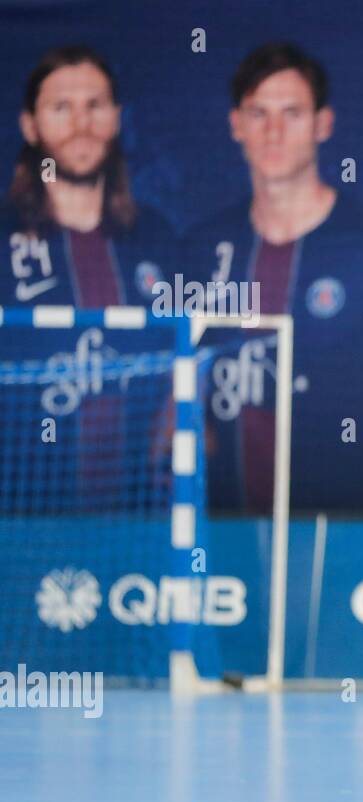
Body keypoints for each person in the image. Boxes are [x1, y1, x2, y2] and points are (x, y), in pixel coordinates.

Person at [187, 42, 363, 511]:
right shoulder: (204, 249)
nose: (274, 132)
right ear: (236, 124)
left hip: (339, 539)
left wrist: (359, 488)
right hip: (222, 538)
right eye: (259, 114)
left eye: (292, 113)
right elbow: (174, 405)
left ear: (323, 123)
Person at [1, 46, 178, 508]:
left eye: (95, 106)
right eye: (62, 108)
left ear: (117, 118)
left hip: (140, 523)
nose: (82, 124)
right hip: (20, 524)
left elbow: (189, 371)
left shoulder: (156, 239)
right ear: (30, 125)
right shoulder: (4, 241)